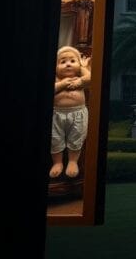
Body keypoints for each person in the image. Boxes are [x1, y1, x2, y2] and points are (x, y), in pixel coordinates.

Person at [50, 46, 91, 179]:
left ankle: (73, 162)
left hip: (77, 113)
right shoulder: (56, 79)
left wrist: (82, 70)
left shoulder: (80, 79)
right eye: (62, 62)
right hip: (56, 114)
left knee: (76, 136)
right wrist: (61, 85)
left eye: (72, 61)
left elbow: (90, 78)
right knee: (55, 138)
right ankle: (57, 163)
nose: (68, 64)